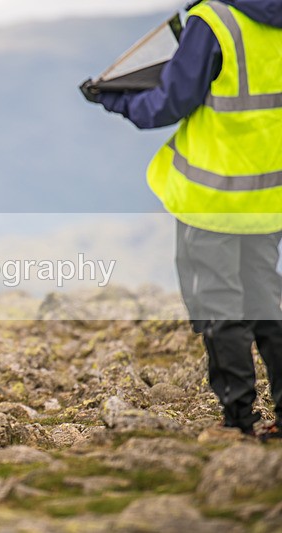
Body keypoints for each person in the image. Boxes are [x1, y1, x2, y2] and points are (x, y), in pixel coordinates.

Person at [82, 0, 282, 439]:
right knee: (267, 301)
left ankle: (239, 421)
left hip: (213, 197)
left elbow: (167, 103)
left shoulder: (215, 20)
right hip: (269, 194)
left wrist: (113, 99)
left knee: (220, 306)